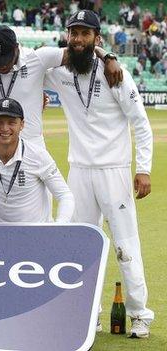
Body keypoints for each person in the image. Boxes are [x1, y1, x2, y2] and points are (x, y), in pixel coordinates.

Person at [44, 10, 154, 338]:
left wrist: (143, 168)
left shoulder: (116, 75)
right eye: (73, 33)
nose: (78, 39)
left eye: (84, 34)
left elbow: (141, 124)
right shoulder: (60, 72)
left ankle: (139, 315)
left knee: (125, 244)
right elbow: (28, 65)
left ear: (96, 37)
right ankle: (87, 315)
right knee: (79, 247)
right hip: (79, 171)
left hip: (114, 171)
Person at [0, 24, 122, 148]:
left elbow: (80, 51)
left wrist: (107, 56)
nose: (0, 66)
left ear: (17, 48)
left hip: (32, 148)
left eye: (5, 59)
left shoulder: (37, 58)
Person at [0, 98, 74, 222]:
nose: (5, 128)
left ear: (22, 124)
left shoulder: (38, 155)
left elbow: (65, 195)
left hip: (34, 236)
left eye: (11, 122)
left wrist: (59, 226)